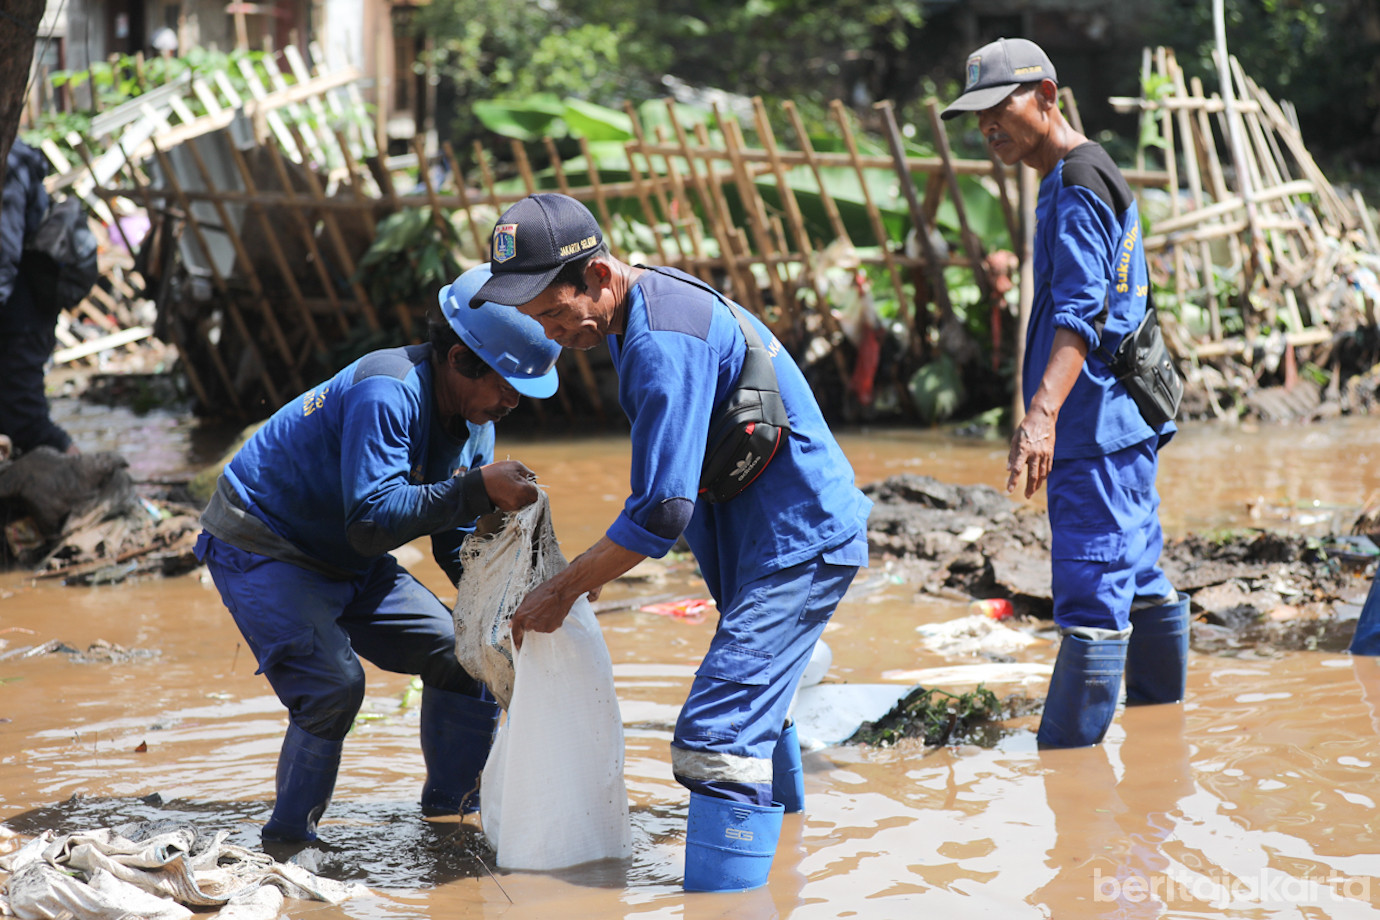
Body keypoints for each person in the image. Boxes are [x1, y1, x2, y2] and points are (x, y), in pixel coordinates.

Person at [468, 192, 872, 892]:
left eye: (558, 315)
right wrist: (594, 570)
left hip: (797, 538)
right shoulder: (635, 311)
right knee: (757, 706)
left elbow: (661, 511)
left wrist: (562, 588)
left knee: (717, 738)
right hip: (759, 534)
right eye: (539, 322)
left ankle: (726, 904)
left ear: (598, 277)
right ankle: (784, 872)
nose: (556, 334)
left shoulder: (661, 340)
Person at [195, 263, 559, 842]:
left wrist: (504, 613)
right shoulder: (387, 391)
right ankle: (289, 843)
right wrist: (476, 488)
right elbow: (370, 523)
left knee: (466, 658)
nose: (513, 401)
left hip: (346, 559)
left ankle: (452, 820)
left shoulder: (475, 419)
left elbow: (453, 544)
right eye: (507, 383)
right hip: (265, 544)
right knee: (333, 688)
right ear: (460, 359)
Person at [941, 38, 1188, 748]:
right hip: (1125, 420)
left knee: (1090, 593)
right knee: (1136, 573)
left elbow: (1080, 313)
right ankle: (1161, 732)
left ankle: (1069, 775)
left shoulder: (1076, 185)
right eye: (977, 116)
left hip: (1093, 427)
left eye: (1001, 107)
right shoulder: (1083, 169)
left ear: (1046, 96)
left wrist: (1041, 416)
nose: (989, 128)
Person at [0, 138, 78, 457]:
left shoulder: (10, 163)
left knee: (28, 424)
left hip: (21, 318)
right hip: (20, 313)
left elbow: (4, 253)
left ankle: (90, 485)